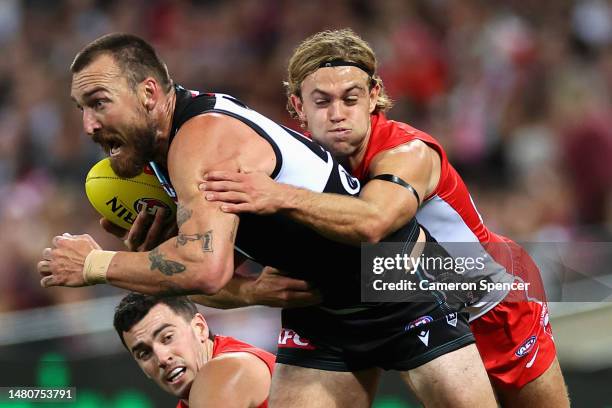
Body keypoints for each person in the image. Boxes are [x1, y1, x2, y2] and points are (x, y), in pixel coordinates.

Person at [36, 33, 497, 407]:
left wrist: (96, 266)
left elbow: (205, 267)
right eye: (81, 109)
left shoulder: (203, 139)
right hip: (320, 310)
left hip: (397, 286)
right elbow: (213, 279)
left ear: (149, 93)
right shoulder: (163, 157)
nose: (89, 126)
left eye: (99, 103)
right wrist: (241, 287)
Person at [199, 29, 570, 407]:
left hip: (486, 303)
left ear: (374, 95)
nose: (338, 115)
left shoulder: (409, 152)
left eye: (351, 98)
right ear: (297, 106)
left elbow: (373, 222)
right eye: (322, 101)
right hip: (377, 310)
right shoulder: (288, 162)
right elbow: (203, 271)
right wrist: (246, 289)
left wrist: (277, 196)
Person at [113, 292, 274, 407]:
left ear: (200, 328)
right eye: (145, 354)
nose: (161, 358)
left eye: (167, 337)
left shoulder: (228, 369)